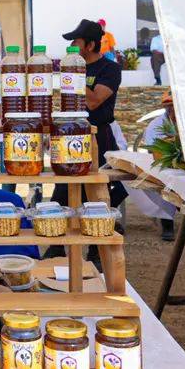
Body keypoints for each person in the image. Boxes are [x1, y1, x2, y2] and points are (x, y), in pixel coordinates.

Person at [45, 19, 128, 264]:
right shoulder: (72, 69)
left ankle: (97, 251)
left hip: (98, 137)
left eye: (76, 42)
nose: (71, 46)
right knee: (61, 194)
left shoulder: (109, 69)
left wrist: (73, 77)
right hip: (70, 135)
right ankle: (56, 249)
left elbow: (94, 101)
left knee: (97, 197)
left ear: (90, 45)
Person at [143, 89, 177, 241]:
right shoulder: (156, 125)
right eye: (169, 107)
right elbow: (153, 151)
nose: (172, 110)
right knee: (162, 180)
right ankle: (167, 223)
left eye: (174, 106)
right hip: (165, 164)